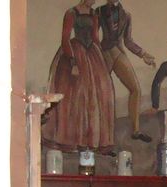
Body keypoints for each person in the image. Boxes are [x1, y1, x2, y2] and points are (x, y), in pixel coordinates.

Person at [42, 0, 115, 153]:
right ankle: (75, 140)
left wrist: (103, 57)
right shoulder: (71, 13)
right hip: (75, 53)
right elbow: (65, 39)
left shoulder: (94, 14)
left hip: (92, 53)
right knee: (77, 97)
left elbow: (95, 37)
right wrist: (73, 62)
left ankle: (91, 141)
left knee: (99, 92)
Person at [96, 0, 156, 143]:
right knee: (100, 92)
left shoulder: (126, 15)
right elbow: (93, 36)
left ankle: (135, 130)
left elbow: (128, 41)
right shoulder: (98, 11)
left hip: (118, 52)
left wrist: (143, 54)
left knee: (136, 89)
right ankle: (97, 132)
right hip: (103, 53)